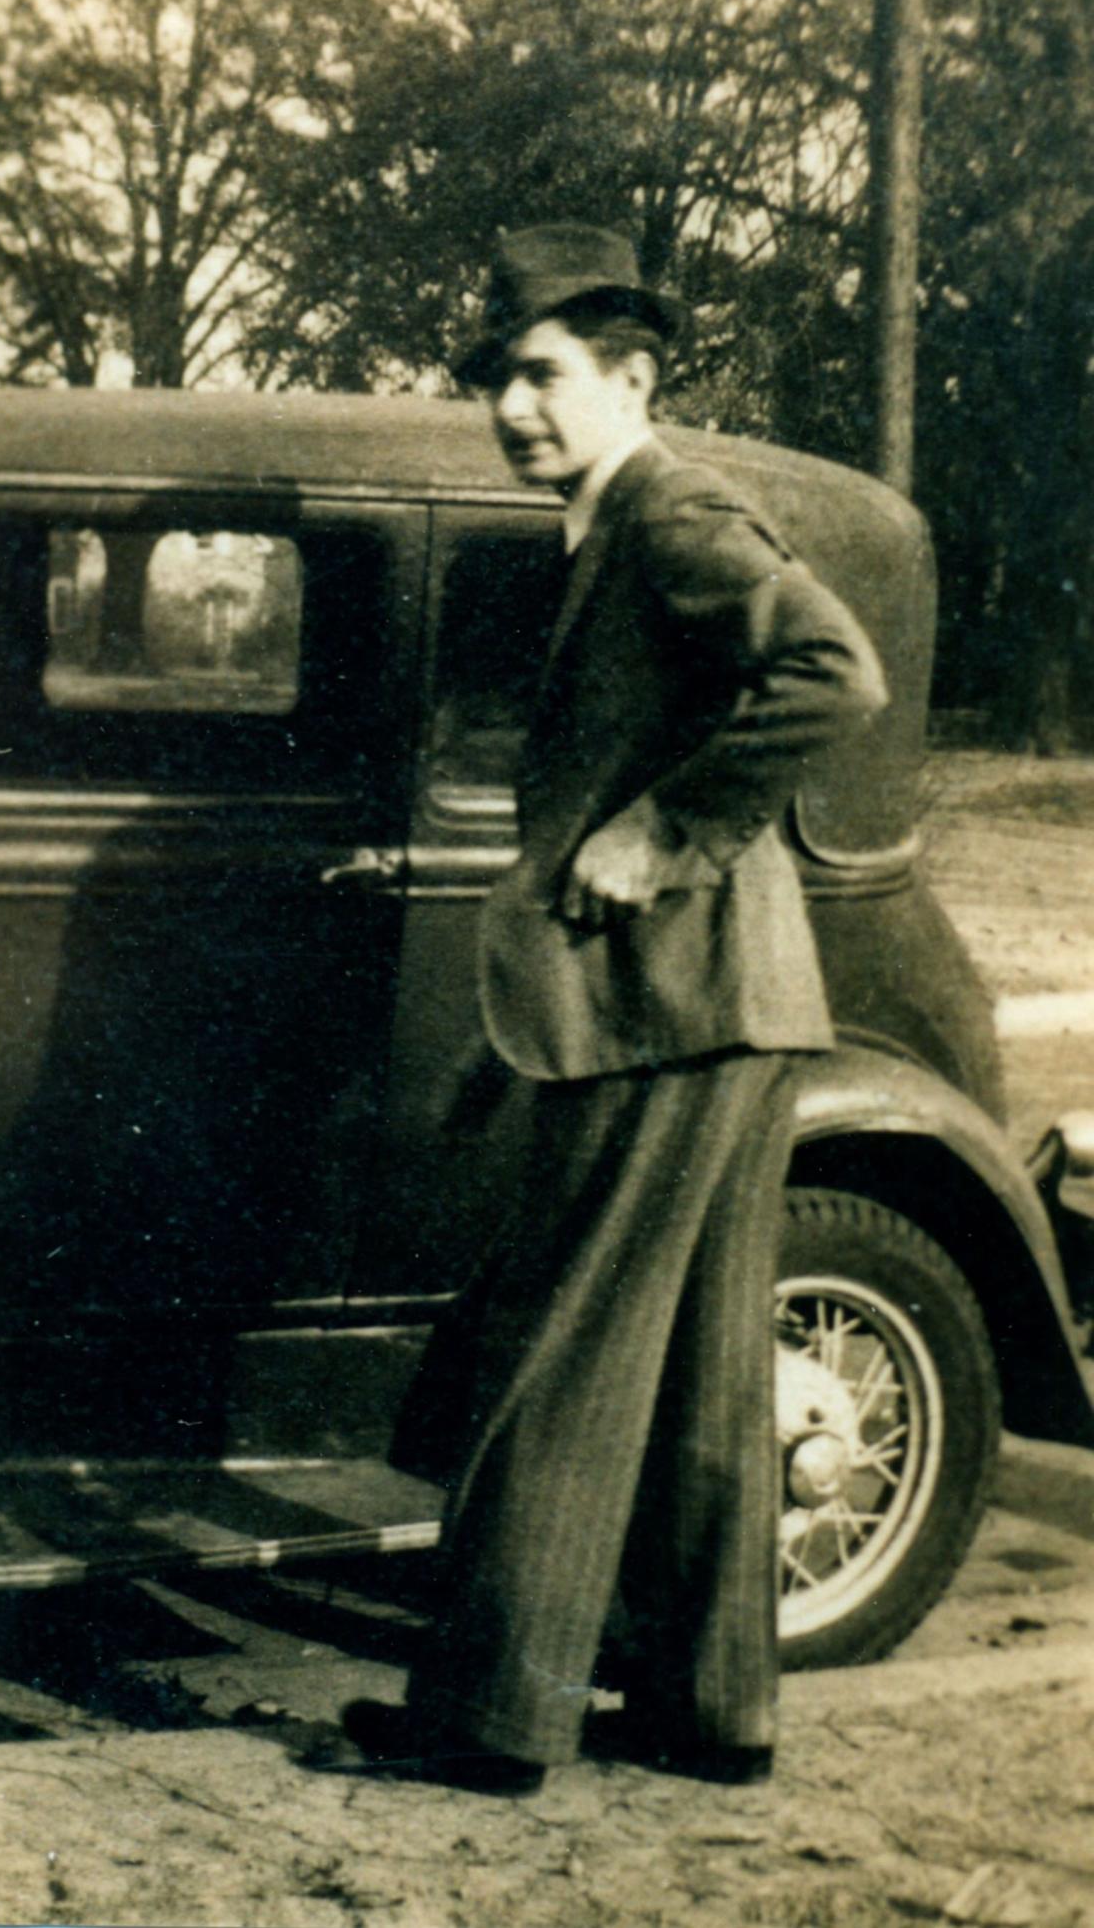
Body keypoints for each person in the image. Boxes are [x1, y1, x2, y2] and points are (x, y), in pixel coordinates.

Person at [321, 224, 889, 1796]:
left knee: (560, 1350)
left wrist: (663, 829)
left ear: (631, 379)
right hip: (729, 1009)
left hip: (669, 1002)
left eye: (545, 375)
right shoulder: (614, 522)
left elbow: (834, 676)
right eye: (498, 379)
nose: (514, 407)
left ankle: (489, 1717)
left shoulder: (671, 511)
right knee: (710, 1369)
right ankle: (716, 1714)